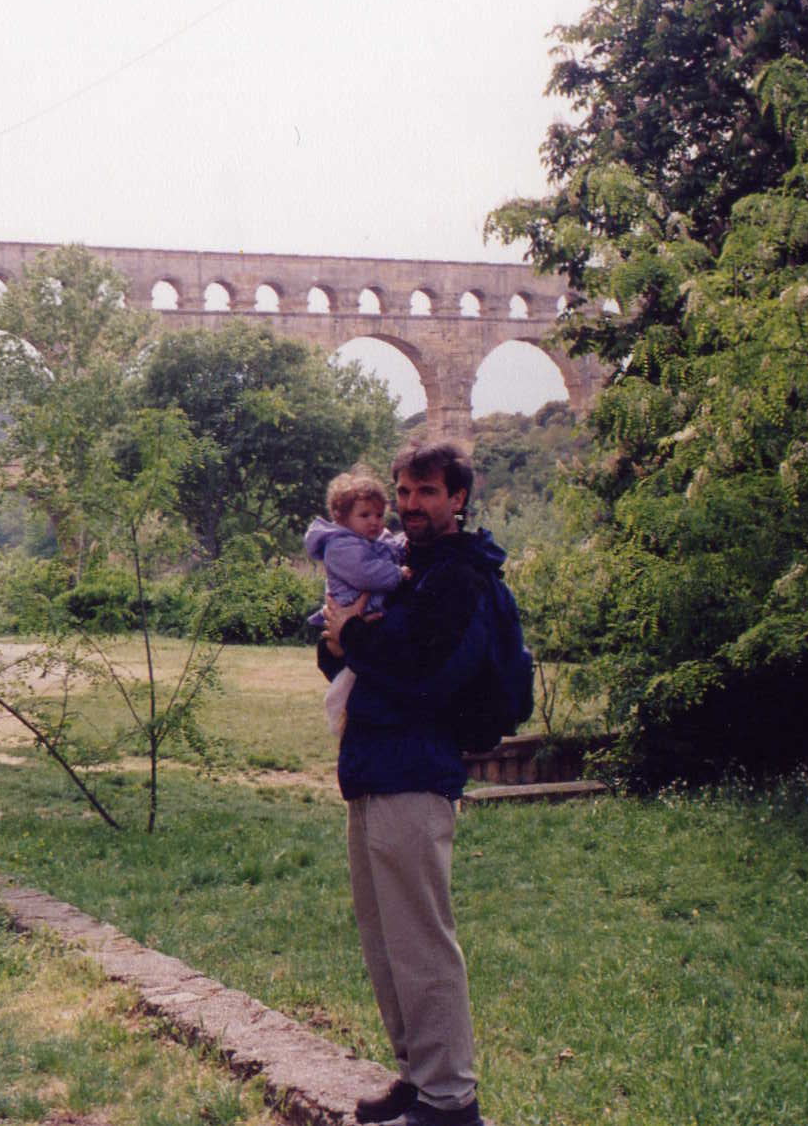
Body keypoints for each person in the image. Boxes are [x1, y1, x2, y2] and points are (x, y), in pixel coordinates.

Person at [319, 440, 500, 1126]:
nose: (411, 504)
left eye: (427, 491)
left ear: (458, 498)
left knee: (421, 941)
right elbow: (350, 652)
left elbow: (430, 677)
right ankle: (417, 1078)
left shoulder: (460, 578)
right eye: (404, 491)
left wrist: (356, 641)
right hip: (372, 768)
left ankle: (450, 1099)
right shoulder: (405, 566)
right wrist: (339, 640)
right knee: (384, 939)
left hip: (417, 772)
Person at [304, 471, 409, 737]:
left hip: (366, 619)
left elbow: (391, 544)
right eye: (364, 516)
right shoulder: (339, 546)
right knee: (353, 677)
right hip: (353, 609)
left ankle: (350, 711)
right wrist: (399, 574)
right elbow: (366, 573)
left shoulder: (368, 539)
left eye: (378, 514)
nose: (374, 522)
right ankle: (341, 711)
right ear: (342, 518)